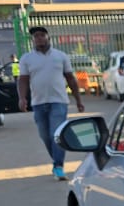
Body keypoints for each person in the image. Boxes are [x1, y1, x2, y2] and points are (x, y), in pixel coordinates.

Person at [18, 25, 84, 180]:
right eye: (36, 36)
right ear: (33, 40)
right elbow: (23, 80)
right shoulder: (26, 59)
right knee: (45, 136)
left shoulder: (60, 56)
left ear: (48, 38)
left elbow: (71, 79)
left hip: (58, 101)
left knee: (56, 134)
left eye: (42, 35)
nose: (39, 38)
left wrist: (78, 100)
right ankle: (56, 161)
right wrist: (22, 98)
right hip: (38, 103)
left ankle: (58, 166)